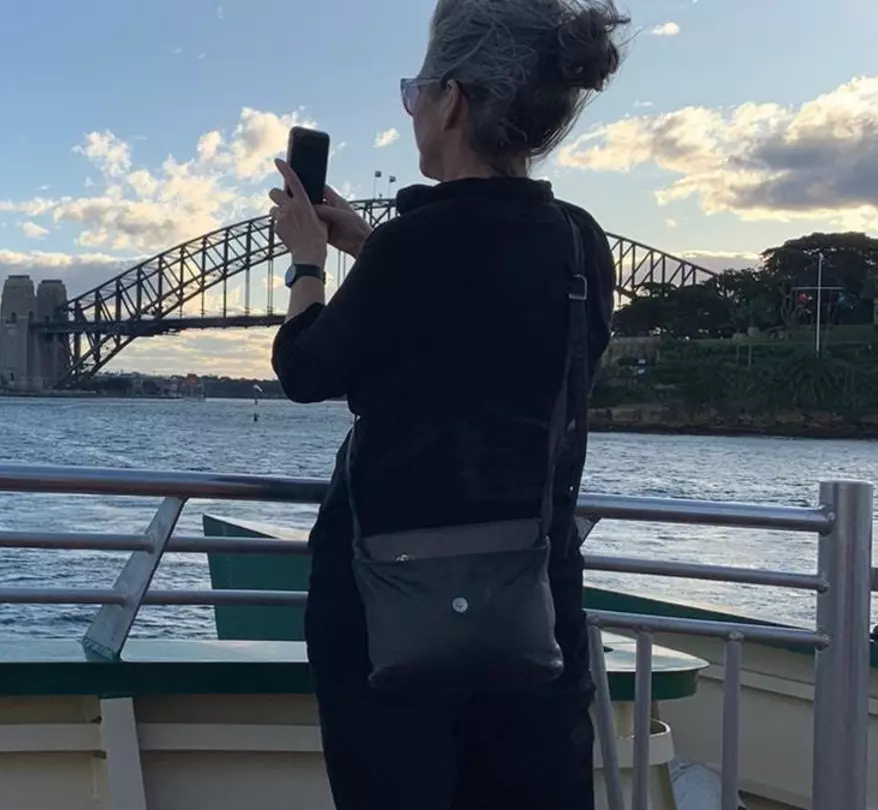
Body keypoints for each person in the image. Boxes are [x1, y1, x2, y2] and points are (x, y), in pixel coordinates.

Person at [267, 0, 627, 806]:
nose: (414, 113)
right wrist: (369, 245)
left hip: (389, 603)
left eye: (414, 93)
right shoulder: (580, 241)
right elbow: (498, 332)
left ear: (453, 100)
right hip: (532, 601)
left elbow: (303, 367)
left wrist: (309, 263)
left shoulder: (412, 249)